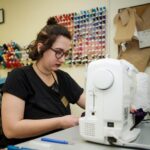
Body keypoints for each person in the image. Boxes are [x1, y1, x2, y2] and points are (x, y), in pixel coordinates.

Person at [0, 17, 85, 148]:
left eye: (66, 53)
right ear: (41, 48)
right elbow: (11, 129)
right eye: (58, 52)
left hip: (58, 144)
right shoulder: (19, 77)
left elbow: (91, 103)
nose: (62, 59)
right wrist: (60, 122)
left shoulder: (63, 78)